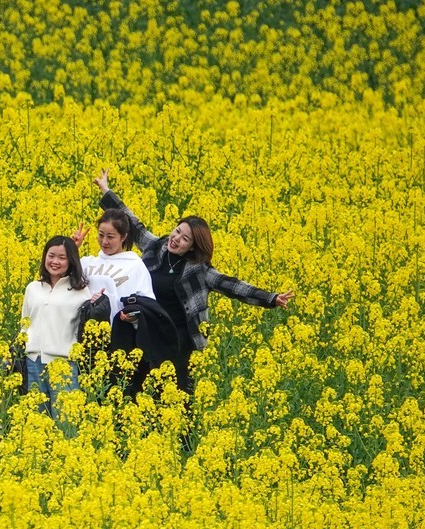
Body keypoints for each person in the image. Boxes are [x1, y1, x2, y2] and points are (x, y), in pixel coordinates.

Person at [92, 168, 296, 393]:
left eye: (184, 238)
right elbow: (132, 224)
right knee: (139, 388)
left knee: (177, 394)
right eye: (177, 231)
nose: (176, 239)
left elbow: (233, 286)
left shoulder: (199, 271)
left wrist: (271, 298)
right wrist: (106, 191)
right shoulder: (155, 247)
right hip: (148, 332)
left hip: (180, 339)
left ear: (193, 246)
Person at [20, 236, 104, 417]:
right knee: (36, 422)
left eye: (62, 257)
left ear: (71, 261)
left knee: (65, 423)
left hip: (64, 364)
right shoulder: (33, 288)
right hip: (33, 361)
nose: (55, 262)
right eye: (51, 256)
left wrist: (96, 305)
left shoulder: (81, 291)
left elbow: (85, 328)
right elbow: (24, 324)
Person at [71, 207, 156, 320]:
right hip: (83, 333)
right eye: (101, 235)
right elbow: (60, 282)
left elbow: (148, 305)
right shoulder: (87, 262)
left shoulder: (134, 265)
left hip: (118, 331)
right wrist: (71, 249)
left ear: (124, 236)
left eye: (110, 237)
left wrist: (132, 317)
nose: (104, 241)